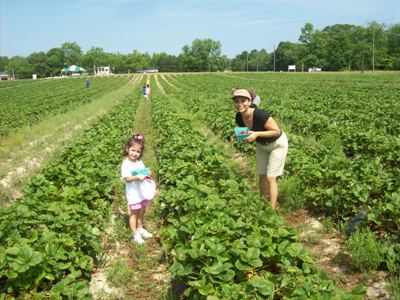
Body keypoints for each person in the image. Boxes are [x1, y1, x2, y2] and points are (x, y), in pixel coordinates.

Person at [232, 89, 288, 208]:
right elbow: (246, 132)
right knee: (261, 175)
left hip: (277, 144)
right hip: (262, 145)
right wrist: (238, 136)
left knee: (271, 177)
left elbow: (276, 131)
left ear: (250, 101)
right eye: (237, 101)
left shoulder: (260, 114)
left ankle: (271, 210)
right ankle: (262, 204)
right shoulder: (239, 117)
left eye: (243, 101)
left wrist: (256, 134)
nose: (240, 104)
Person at [121, 134, 155, 244]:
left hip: (142, 192)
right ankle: (135, 234)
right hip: (133, 193)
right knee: (134, 213)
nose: (135, 154)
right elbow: (127, 179)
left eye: (138, 152)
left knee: (142, 211)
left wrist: (148, 174)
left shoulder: (139, 162)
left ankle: (140, 229)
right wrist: (136, 177)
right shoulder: (125, 164)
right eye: (133, 150)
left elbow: (143, 172)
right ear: (127, 149)